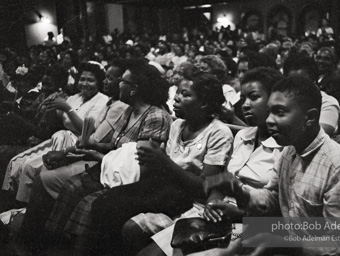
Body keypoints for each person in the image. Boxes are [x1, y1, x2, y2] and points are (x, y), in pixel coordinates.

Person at [142, 67, 284, 256]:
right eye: (244, 98)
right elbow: (222, 179)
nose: (245, 105)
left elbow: (283, 217)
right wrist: (213, 203)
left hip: (253, 224)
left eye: (254, 97)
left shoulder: (287, 149)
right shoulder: (243, 135)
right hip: (221, 212)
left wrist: (240, 215)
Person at [90, 71, 233, 255]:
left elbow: (205, 187)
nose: (177, 98)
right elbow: (161, 171)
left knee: (114, 210)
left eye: (186, 94)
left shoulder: (218, 132)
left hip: (187, 198)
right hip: (166, 188)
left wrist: (163, 162)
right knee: (103, 203)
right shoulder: (177, 125)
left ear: (204, 103)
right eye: (178, 92)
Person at [36, 60, 172, 254]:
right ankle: (56, 246)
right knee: (72, 187)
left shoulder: (155, 116)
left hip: (131, 181)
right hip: (111, 169)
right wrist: (92, 145)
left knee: (87, 205)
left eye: (123, 81)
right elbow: (115, 146)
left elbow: (139, 166)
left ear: (135, 89)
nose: (118, 84)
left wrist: (97, 156)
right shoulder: (129, 110)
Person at [236, 76, 340, 255]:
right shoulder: (289, 151)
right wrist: (237, 191)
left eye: (279, 112)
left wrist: (283, 243)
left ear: (310, 117)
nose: (269, 120)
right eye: (269, 112)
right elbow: (272, 197)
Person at [2, 62, 109, 203]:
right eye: (82, 79)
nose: (85, 83)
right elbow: (58, 118)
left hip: (78, 143)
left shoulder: (102, 100)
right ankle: (16, 203)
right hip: (59, 137)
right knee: (25, 165)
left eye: (90, 80)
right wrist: (48, 106)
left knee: (37, 169)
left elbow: (87, 130)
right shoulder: (75, 97)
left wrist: (66, 108)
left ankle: (29, 206)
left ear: (98, 83)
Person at [283, 54, 340, 137]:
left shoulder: (327, 103)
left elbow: (318, 137)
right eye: (291, 83)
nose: (297, 88)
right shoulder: (282, 101)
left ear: (314, 81)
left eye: (303, 83)